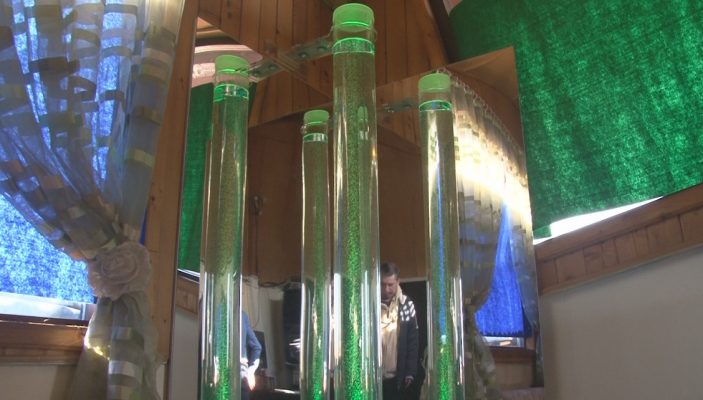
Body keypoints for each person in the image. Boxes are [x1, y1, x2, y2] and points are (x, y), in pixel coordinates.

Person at [380, 262, 419, 400]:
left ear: (398, 282)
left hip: (397, 378)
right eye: (382, 284)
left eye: (390, 285)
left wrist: (410, 372)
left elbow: (413, 340)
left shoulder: (406, 304)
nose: (386, 289)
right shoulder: (368, 303)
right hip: (372, 378)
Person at [241, 311, 262, 400]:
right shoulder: (242, 315)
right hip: (242, 374)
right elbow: (257, 347)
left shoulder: (219, 311)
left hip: (225, 374)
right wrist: (250, 371)